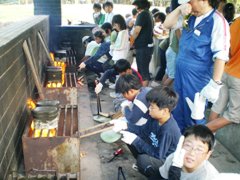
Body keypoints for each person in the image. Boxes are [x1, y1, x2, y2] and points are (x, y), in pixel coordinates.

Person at [163, 0, 230, 132]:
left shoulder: (217, 21)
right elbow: (167, 24)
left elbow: (221, 55)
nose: (188, 4)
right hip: (180, 75)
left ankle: (194, 146)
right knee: (177, 111)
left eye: (190, 1)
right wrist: (179, 9)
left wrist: (215, 83)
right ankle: (178, 144)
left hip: (197, 79)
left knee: (193, 115)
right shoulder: (189, 16)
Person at [111, 86, 181, 177]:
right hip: (155, 147)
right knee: (129, 136)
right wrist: (125, 125)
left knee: (142, 160)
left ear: (164, 111)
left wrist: (136, 140)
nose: (149, 109)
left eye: (152, 107)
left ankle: (155, 174)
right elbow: (142, 130)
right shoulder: (154, 118)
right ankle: (145, 165)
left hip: (165, 160)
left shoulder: (169, 130)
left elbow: (158, 155)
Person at [207, 16, 240, 132]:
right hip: (238, 78)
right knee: (234, 115)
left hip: (227, 70)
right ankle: (199, 133)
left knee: (217, 107)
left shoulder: (236, 22)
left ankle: (206, 141)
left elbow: (229, 49)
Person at [151, 125, 219, 180]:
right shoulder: (174, 158)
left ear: (208, 154)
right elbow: (158, 176)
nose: (191, 153)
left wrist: (175, 170)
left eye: (199, 149)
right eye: (188, 145)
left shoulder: (208, 176)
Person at [131, 0, 154, 87]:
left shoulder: (142, 14)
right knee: (142, 69)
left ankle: (143, 94)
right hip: (146, 46)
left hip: (143, 47)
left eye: (136, 6)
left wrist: (131, 42)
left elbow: (136, 31)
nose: (135, 8)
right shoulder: (148, 14)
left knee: (143, 71)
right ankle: (142, 91)